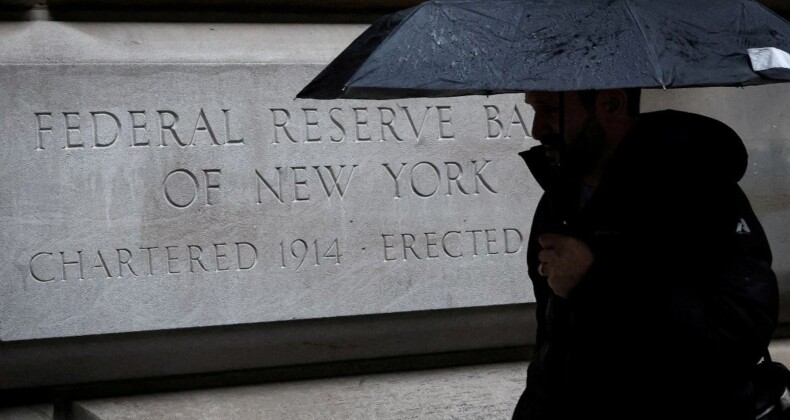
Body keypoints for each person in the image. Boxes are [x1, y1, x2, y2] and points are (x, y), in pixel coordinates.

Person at [512, 89, 779, 420]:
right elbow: (554, 343)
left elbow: (738, 334)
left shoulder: (700, 191)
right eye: (533, 110)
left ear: (611, 103)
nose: (537, 129)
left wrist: (597, 280)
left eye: (550, 109)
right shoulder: (558, 201)